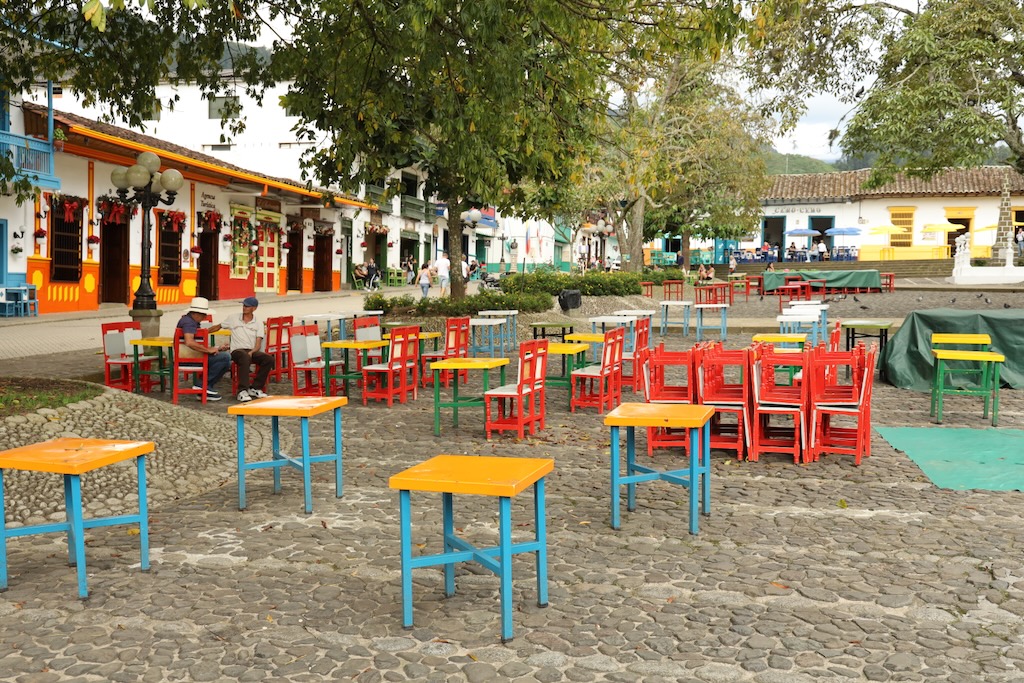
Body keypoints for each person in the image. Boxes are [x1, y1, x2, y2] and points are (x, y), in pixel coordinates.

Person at [209, 297, 274, 402]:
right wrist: (204, 332)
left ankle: (255, 387)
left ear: (254, 308)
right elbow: (218, 326)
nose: (244, 308)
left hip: (251, 350)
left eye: (247, 306)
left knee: (269, 359)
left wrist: (252, 352)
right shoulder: (233, 318)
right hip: (237, 351)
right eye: (244, 305)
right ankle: (242, 390)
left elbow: (258, 343)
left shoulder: (258, 323)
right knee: (244, 357)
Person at [175, 296, 231, 401]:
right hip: (189, 360)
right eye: (203, 314)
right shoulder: (189, 323)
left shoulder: (190, 321)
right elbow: (189, 342)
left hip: (192, 356)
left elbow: (196, 343)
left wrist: (216, 348)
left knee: (222, 356)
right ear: (196, 313)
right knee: (225, 358)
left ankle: (205, 386)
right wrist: (208, 350)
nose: (205, 317)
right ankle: (203, 385)